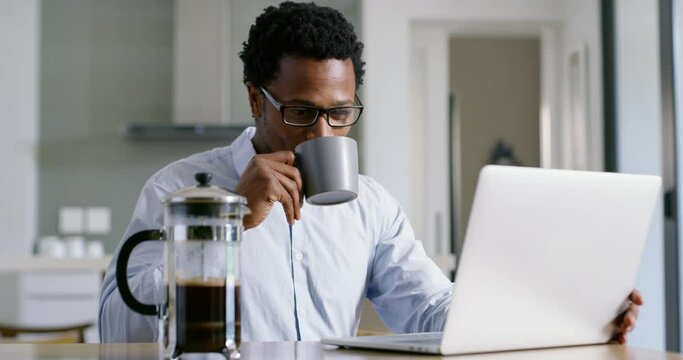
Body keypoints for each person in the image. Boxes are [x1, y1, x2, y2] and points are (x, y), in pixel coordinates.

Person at [99, 1, 641, 344]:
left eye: (340, 114)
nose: (324, 136)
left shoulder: (371, 205)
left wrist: (566, 314)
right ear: (255, 101)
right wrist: (229, 225)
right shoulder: (180, 189)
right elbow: (117, 329)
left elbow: (431, 311)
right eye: (302, 113)